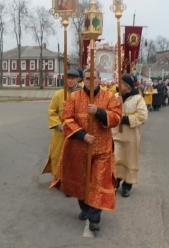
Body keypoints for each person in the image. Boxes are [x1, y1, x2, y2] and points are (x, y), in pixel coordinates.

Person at [49, 68, 122, 232]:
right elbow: (66, 119)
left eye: (93, 78)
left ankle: (95, 218)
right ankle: (85, 208)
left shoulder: (109, 97)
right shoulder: (73, 98)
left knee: (98, 181)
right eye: (87, 78)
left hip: (102, 148)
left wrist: (99, 112)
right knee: (81, 182)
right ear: (84, 81)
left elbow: (116, 117)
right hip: (79, 148)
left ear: (99, 80)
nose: (90, 81)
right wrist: (82, 135)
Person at [113, 74, 148, 198]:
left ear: (127, 86)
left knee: (130, 160)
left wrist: (125, 119)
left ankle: (127, 186)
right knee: (115, 158)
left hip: (131, 136)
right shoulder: (116, 96)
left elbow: (142, 116)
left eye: (120, 83)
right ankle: (115, 182)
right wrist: (117, 105)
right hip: (116, 134)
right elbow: (110, 111)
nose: (118, 85)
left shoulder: (138, 99)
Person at [42, 70, 82, 177]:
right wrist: (59, 126)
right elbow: (51, 111)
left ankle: (73, 180)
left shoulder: (82, 94)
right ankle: (59, 178)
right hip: (61, 132)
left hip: (76, 132)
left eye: (73, 78)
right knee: (58, 154)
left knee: (74, 157)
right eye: (68, 78)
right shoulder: (59, 94)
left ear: (78, 79)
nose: (70, 80)